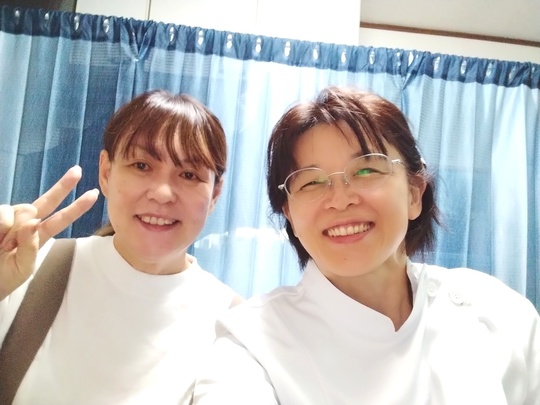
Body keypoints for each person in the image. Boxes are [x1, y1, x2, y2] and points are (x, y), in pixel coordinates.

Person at [192, 86, 540, 404]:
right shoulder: (249, 345)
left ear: (414, 194)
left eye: (366, 171)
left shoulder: (499, 313)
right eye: (311, 182)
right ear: (291, 216)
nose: (340, 199)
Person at [0, 90, 241, 404]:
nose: (162, 193)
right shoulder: (25, 268)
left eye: (188, 174)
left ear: (215, 195)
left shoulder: (231, 322)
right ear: (106, 172)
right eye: (142, 165)